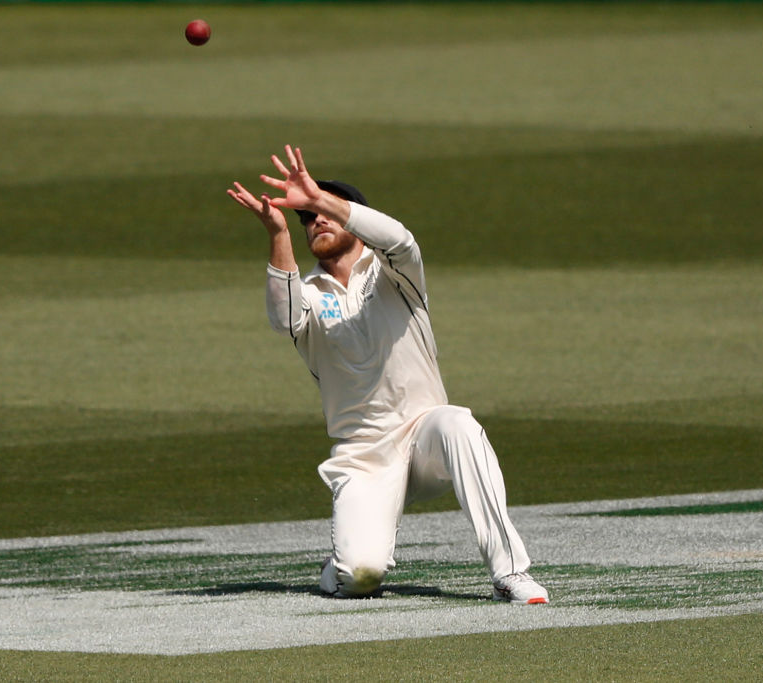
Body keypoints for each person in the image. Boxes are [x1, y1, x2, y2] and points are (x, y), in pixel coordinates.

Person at [227, 145, 548, 605]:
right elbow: (283, 320)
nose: (314, 220)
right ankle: (339, 564)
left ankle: (510, 573)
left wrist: (317, 198)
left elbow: (399, 238)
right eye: (307, 218)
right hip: (363, 456)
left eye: (325, 212)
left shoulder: (394, 275)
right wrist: (278, 230)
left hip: (425, 437)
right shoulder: (310, 293)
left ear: (355, 219)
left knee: (458, 423)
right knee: (361, 576)